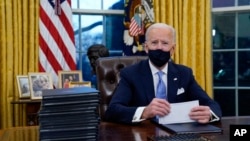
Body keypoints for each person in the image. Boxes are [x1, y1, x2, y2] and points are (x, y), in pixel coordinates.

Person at [104, 23, 222, 124]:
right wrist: (144, 112)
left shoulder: (184, 73)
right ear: (146, 47)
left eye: (165, 43)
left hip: (176, 135)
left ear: (173, 49)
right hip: (143, 134)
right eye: (154, 42)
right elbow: (113, 110)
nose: (159, 47)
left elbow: (212, 105)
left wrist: (209, 114)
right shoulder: (130, 74)